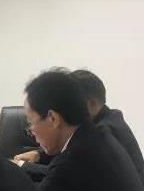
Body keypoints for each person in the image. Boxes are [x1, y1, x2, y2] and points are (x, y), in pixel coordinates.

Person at [15, 69, 144, 183]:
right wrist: (39, 154)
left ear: (92, 104)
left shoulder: (103, 133)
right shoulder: (109, 120)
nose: (67, 108)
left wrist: (22, 166)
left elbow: (68, 172)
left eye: (73, 102)